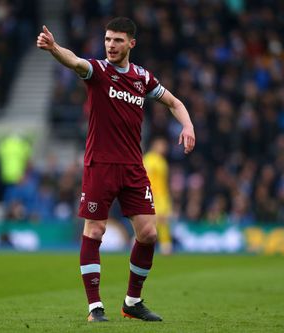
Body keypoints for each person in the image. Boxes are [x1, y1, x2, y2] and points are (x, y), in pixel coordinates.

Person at [37, 17, 195, 322]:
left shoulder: (142, 78)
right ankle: (95, 307)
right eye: (108, 39)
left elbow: (174, 102)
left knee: (148, 233)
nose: (111, 45)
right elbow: (74, 61)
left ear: (131, 44)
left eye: (118, 40)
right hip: (100, 165)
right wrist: (55, 48)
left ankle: (132, 302)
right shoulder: (98, 71)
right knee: (95, 230)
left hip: (133, 167)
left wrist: (187, 124)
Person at [143, 137, 173, 255]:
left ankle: (166, 246)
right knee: (152, 220)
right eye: (161, 145)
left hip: (162, 196)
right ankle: (140, 243)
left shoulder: (162, 161)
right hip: (152, 195)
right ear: (155, 145)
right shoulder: (149, 159)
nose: (164, 148)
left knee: (163, 220)